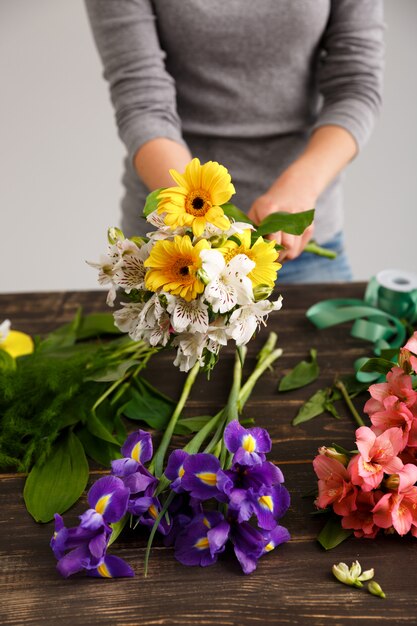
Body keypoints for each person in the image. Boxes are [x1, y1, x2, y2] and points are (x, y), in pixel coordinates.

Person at [85, 0, 384, 283]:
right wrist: (200, 225)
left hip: (298, 249)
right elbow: (141, 100)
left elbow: (355, 85)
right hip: (177, 247)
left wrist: (299, 188)